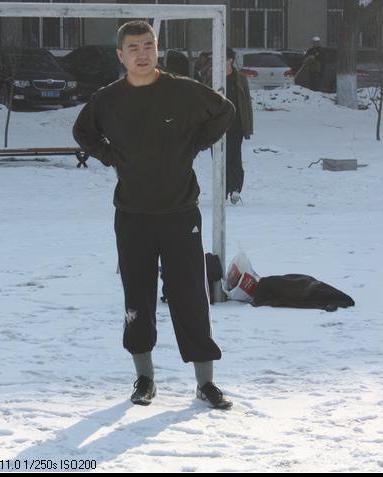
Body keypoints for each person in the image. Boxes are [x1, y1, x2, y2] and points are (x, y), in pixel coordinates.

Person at [73, 21, 235, 410]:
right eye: (133, 47)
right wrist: (111, 156)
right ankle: (144, 378)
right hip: (133, 216)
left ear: (156, 49)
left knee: (190, 297)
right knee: (138, 298)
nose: (142, 53)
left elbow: (224, 111)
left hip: (180, 214)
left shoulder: (181, 90)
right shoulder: (108, 100)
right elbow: (83, 132)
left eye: (148, 45)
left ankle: (205, 383)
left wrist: (194, 143)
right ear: (121, 55)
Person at [224, 47, 254, 205]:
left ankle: (235, 189)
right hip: (217, 128)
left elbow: (246, 104)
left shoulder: (240, 79)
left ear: (230, 60)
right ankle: (223, 188)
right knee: (219, 159)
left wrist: (248, 127)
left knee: (234, 157)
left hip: (235, 126)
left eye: (223, 58)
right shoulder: (213, 77)